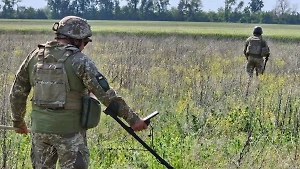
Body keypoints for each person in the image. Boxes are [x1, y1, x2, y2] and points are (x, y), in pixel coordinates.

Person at [9, 16, 148, 169]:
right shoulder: (80, 61)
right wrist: (134, 120)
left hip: (40, 131)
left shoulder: (34, 57)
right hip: (70, 134)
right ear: (76, 40)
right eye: (85, 42)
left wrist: (18, 122)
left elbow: (17, 93)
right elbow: (107, 95)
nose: (84, 46)